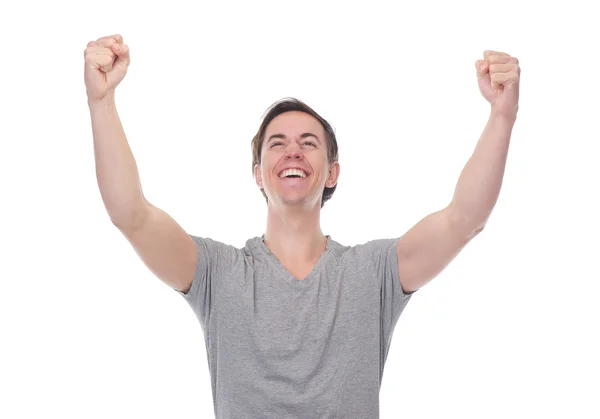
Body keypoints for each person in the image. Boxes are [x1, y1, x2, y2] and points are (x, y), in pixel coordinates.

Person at [85, 34, 520, 419]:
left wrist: (502, 115)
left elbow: (465, 218)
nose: (293, 152)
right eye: (278, 143)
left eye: (308, 143)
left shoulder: (372, 273)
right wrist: (101, 102)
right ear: (258, 174)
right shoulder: (217, 274)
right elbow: (131, 214)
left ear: (331, 173)